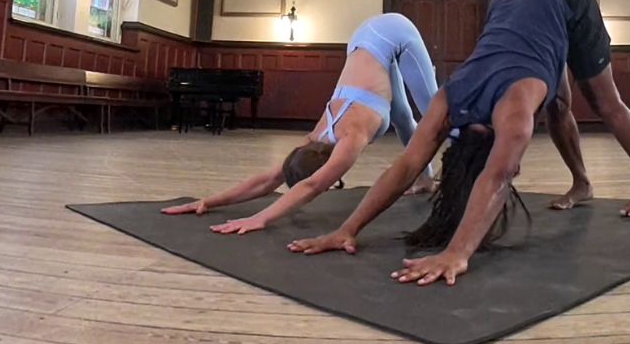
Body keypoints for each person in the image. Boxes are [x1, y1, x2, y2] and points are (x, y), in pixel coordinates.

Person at [285, 0, 571, 287]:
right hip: (512, 4)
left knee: (564, 104)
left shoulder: (505, 112)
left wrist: (457, 253)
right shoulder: (453, 101)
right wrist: (347, 229)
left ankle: (581, 181)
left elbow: (497, 178)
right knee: (557, 94)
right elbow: (407, 165)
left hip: (548, 0)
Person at [163, 13, 438, 234]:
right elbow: (268, 179)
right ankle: (425, 180)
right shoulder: (312, 141)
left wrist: (260, 218)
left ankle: (457, 164)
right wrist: (209, 202)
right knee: (403, 118)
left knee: (436, 113)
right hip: (362, 42)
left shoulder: (350, 137)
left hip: (392, 30)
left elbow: (312, 186)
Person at [499, 0, 630, 216]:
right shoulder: (499, 47)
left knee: (605, 103)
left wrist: (510, 156)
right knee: (556, 105)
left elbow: (522, 110)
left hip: (572, 0)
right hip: (537, 19)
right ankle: (582, 184)